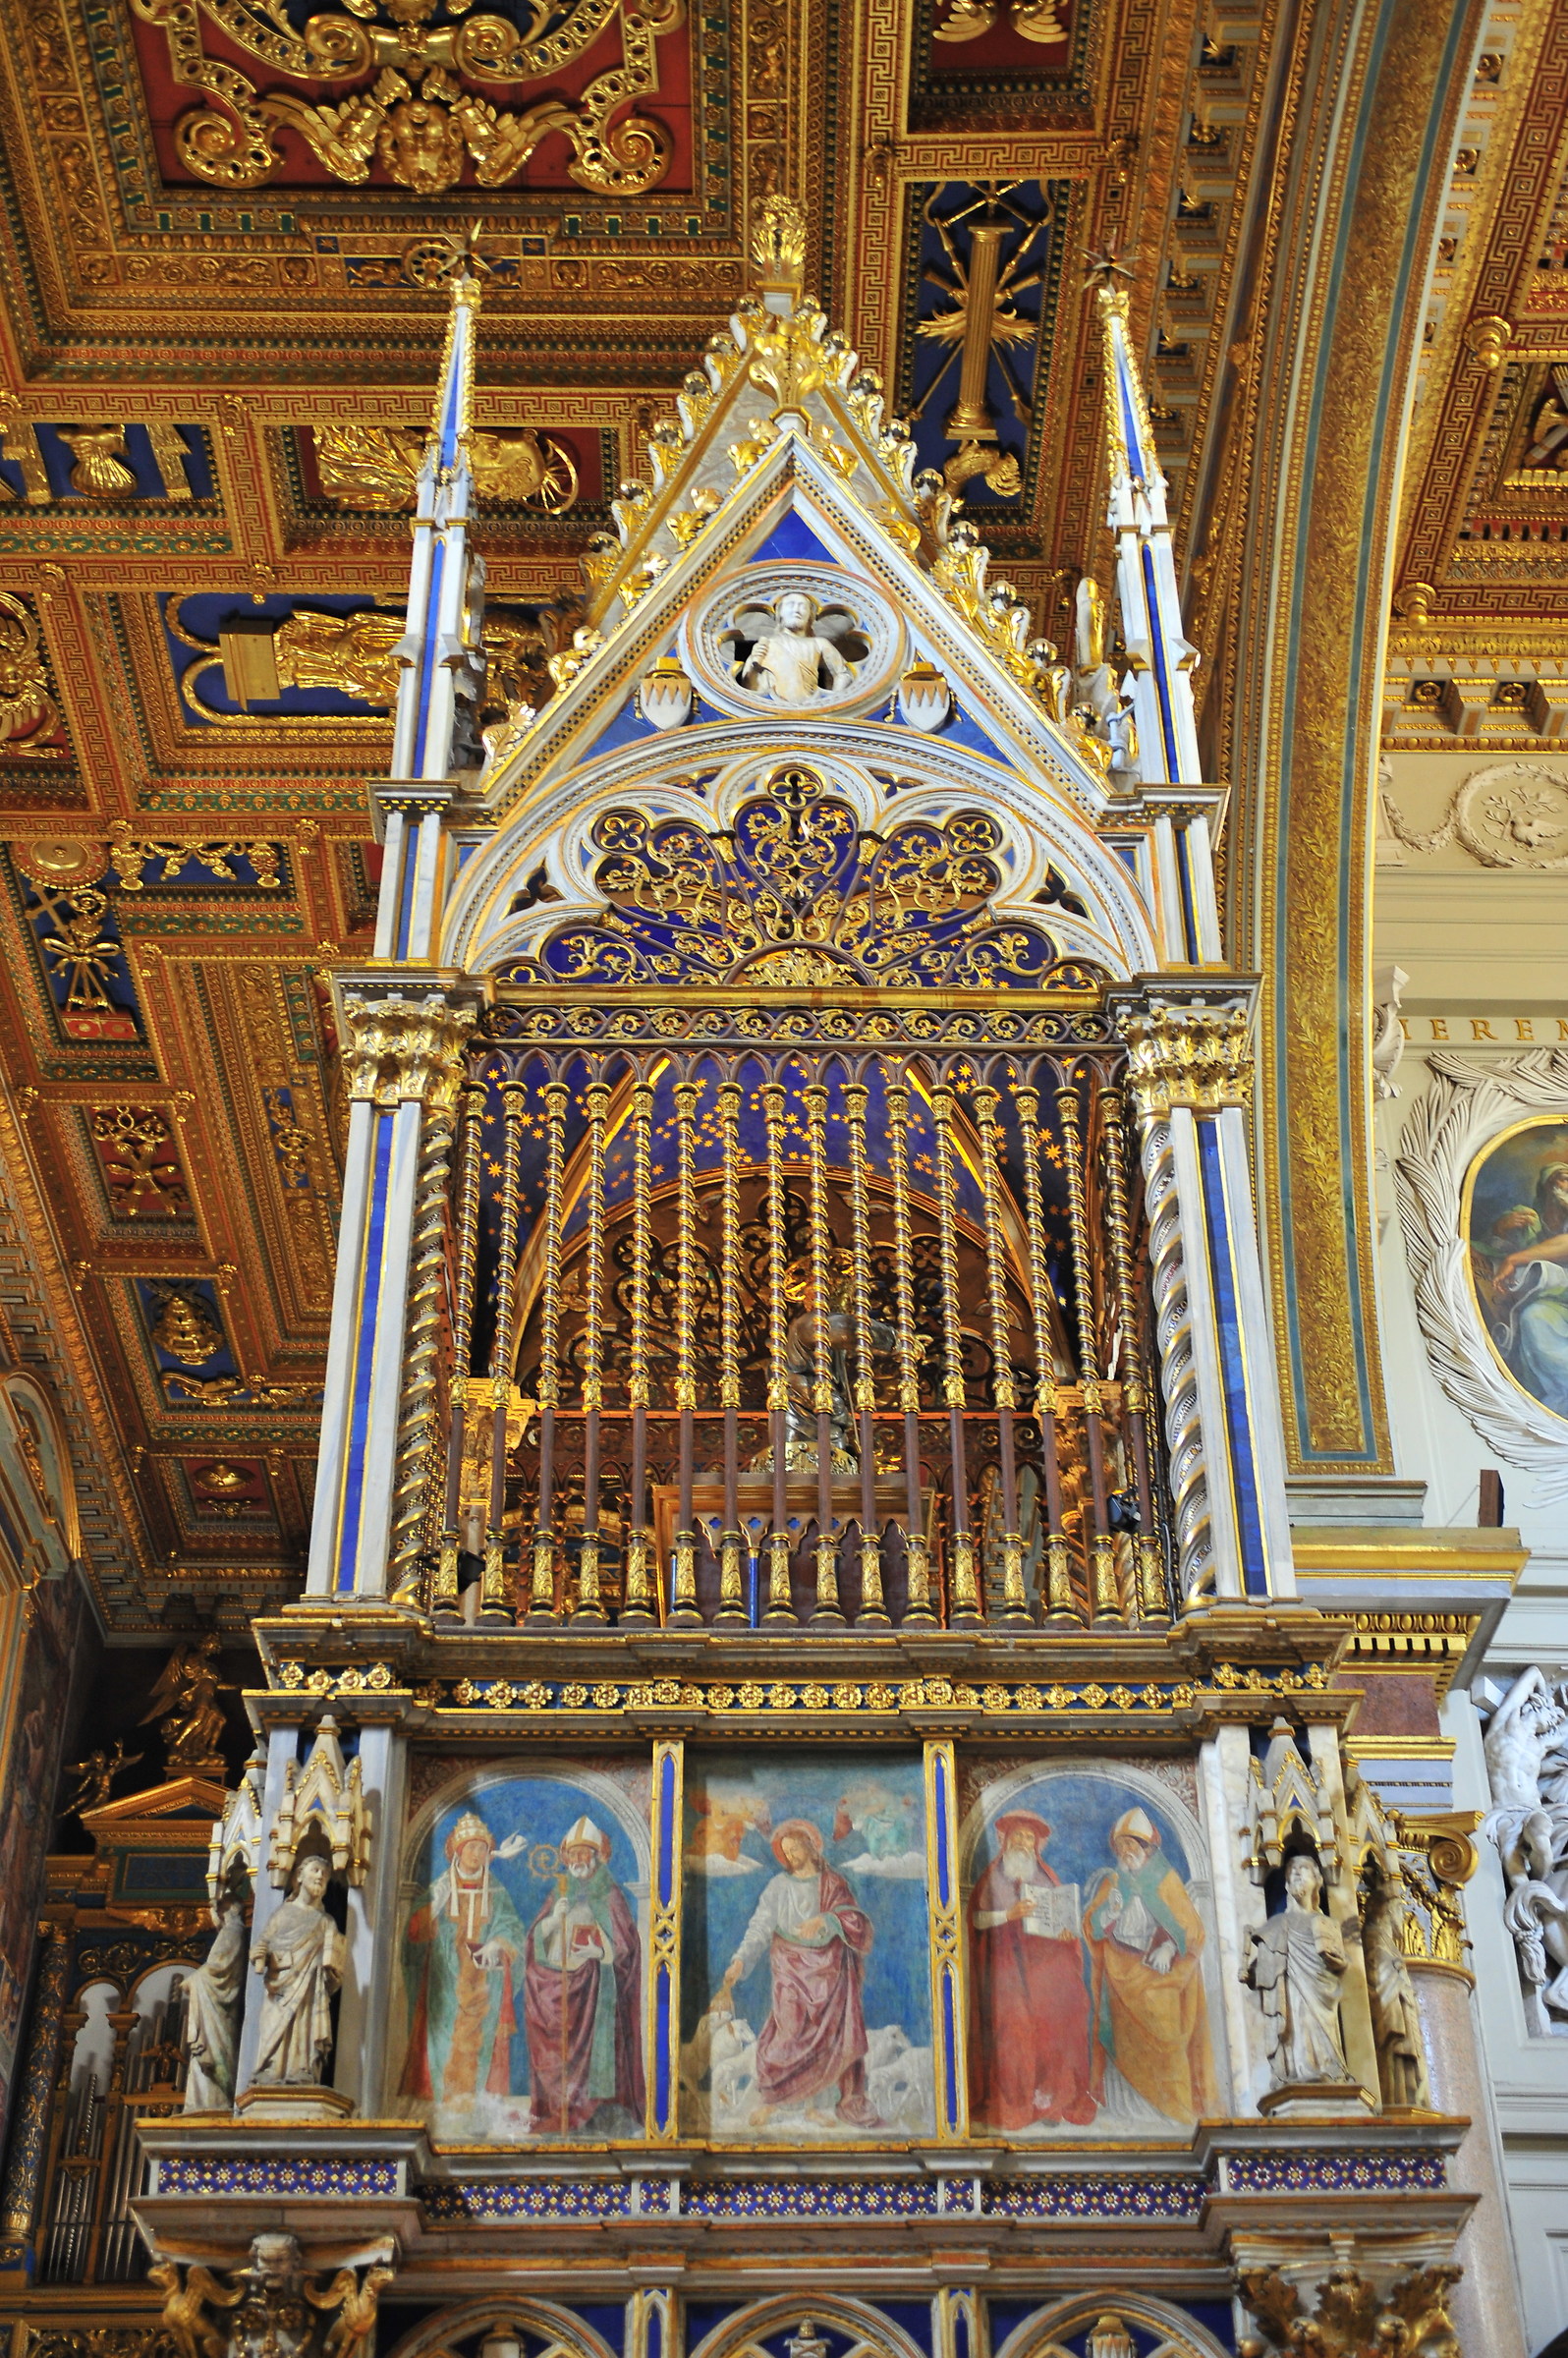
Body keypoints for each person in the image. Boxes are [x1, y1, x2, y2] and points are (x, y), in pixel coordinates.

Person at [714, 1818, 879, 2128]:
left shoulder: (832, 1883)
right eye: (785, 1852)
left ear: (809, 1845)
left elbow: (856, 1921)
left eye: (794, 1849)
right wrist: (741, 1960)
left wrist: (826, 1921)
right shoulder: (778, 1886)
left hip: (828, 1971)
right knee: (788, 2032)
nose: (790, 1856)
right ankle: (776, 2101)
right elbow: (760, 1926)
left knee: (825, 2039)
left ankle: (814, 2105)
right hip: (789, 1967)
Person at [1082, 1806, 1217, 2125]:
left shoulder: (1166, 1880)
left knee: (1168, 2039)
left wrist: (1170, 1946)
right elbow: (1092, 1927)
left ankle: (1175, 2113)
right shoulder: (1113, 1882)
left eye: (1133, 1845)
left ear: (1147, 1848)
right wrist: (1110, 1914)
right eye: (1122, 1847)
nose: (1127, 1852)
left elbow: (1193, 1929)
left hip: (1159, 1976)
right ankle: (1128, 2112)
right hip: (1120, 1975)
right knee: (1124, 2043)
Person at [966, 1810, 1096, 2130]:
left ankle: (1050, 2101)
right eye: (1018, 1836)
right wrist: (1009, 1913)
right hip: (1007, 1971)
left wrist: (1067, 1934)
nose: (1024, 1843)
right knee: (1014, 2032)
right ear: (1005, 1840)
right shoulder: (993, 1875)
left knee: (1057, 2024)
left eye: (1029, 1838)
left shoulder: (1046, 1875)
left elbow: (1064, 1923)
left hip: (1046, 1972)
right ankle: (1015, 2102)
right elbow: (977, 1920)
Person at [400, 1810, 530, 2114]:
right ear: (457, 1850)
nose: (476, 1854)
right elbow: (415, 1931)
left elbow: (510, 1927)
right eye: (471, 1847)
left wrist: (498, 1943)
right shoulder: (442, 1887)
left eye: (482, 1848)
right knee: (444, 2038)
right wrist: (436, 1906)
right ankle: (443, 2104)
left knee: (481, 2044)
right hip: (446, 1979)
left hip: (485, 1982)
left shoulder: (495, 1889)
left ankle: (477, 2104)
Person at [522, 1816, 644, 2134]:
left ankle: (596, 2114)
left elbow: (625, 1946)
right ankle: (559, 2110)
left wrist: (600, 1954)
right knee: (549, 2028)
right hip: (560, 1987)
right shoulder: (559, 1891)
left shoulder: (610, 1893)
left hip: (596, 1992)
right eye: (572, 1855)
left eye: (584, 1854)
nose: (578, 1860)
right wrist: (552, 1922)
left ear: (596, 1856)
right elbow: (535, 1943)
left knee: (600, 2056)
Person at [1242, 1852, 1354, 2087]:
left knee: (1318, 2028)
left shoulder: (1327, 1923)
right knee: (1296, 2026)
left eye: (1303, 1869)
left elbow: (1340, 1964)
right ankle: (1295, 2070)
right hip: (1291, 1992)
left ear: (1317, 1881)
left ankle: (1326, 2066)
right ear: (1285, 1884)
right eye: (1292, 1872)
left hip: (1320, 1994)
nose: (1296, 1874)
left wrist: (1334, 1960)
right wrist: (1250, 1974)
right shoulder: (1275, 1926)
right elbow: (1264, 1966)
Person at [250, 1855, 343, 2087]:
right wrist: (259, 1954)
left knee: (305, 2024)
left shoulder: (326, 1921)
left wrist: (332, 1963)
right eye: (315, 1870)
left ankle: (302, 2068)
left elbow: (335, 1968)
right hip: (279, 1987)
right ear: (299, 1876)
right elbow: (262, 1946)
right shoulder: (281, 1913)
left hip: (310, 1989)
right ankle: (271, 2069)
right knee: (273, 2028)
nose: (320, 1876)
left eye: (325, 1874)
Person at [181, 1891, 247, 2111]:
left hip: (217, 2011)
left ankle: (212, 2102)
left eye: (219, 1911)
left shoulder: (232, 1933)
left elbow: (218, 1970)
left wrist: (194, 1979)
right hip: (216, 2009)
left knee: (214, 2059)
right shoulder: (232, 1933)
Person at [739, 592, 853, 702]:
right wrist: (753, 666)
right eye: (790, 605)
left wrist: (832, 700)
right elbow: (750, 686)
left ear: (810, 615)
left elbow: (844, 674)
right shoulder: (767, 644)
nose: (796, 610)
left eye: (802, 607)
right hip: (772, 704)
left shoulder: (819, 643)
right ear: (780, 612)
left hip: (808, 703)